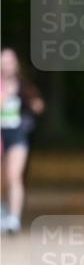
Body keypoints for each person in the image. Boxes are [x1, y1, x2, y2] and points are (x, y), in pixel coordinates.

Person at [0, 48, 45, 234]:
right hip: (0, 136)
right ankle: (3, 211)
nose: (6, 65)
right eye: (3, 62)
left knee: (14, 176)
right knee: (2, 180)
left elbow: (38, 104)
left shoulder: (23, 85)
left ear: (16, 64)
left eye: (10, 61)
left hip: (17, 134)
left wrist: (36, 105)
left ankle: (14, 218)